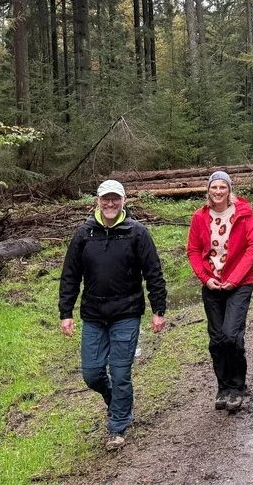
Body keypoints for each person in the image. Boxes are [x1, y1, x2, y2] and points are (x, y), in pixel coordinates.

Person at [59, 179, 167, 452]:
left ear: (123, 201)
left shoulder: (136, 232)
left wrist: (158, 309)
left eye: (115, 199)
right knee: (92, 374)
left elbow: (153, 271)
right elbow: (70, 275)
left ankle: (117, 425)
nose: (110, 204)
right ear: (97, 201)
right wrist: (66, 312)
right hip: (93, 314)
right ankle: (118, 401)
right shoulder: (84, 234)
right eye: (105, 199)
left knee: (120, 373)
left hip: (126, 313)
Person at [186, 171, 253, 414]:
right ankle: (223, 387)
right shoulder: (200, 217)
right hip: (212, 286)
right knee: (217, 340)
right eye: (214, 187)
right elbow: (193, 251)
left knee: (232, 335)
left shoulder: (244, 213)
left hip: (239, 285)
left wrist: (234, 278)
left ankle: (238, 387)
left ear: (230, 189)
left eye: (222, 187)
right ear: (208, 190)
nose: (218, 191)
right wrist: (206, 279)